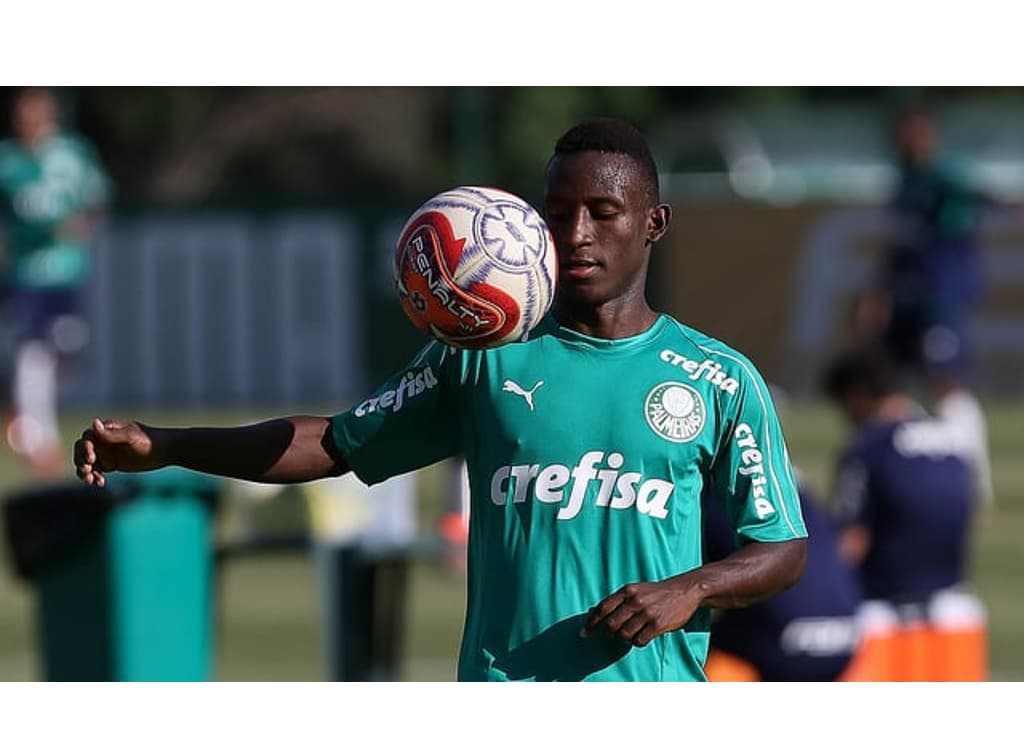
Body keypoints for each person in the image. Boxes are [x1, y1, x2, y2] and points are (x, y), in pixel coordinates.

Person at [73, 117, 807, 682]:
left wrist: (690, 589)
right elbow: (331, 444)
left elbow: (782, 546)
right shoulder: (481, 356)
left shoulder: (718, 378)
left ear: (655, 222)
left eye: (603, 211)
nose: (576, 234)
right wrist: (165, 445)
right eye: (558, 211)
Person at [852, 104, 994, 511]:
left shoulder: (945, 180)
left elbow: (980, 198)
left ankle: (972, 479)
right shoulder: (903, 186)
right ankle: (907, 471)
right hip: (906, 298)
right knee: (891, 377)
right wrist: (879, 293)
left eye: (918, 134)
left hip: (942, 298)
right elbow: (898, 248)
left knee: (947, 379)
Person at [821, 345, 987, 681]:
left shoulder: (868, 447)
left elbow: (850, 544)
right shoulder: (951, 438)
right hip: (955, 615)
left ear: (856, 395)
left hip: (883, 620)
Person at [0, 87, 111, 476]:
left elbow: (96, 199)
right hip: (26, 273)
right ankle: (38, 438)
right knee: (34, 352)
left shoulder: (73, 153)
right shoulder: (7, 160)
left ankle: (23, 412)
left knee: (66, 347)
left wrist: (80, 225)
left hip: (66, 271)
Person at [702, 481, 862, 682]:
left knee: (683, 640)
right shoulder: (800, 495)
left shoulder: (723, 496)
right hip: (847, 640)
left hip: (786, 641)